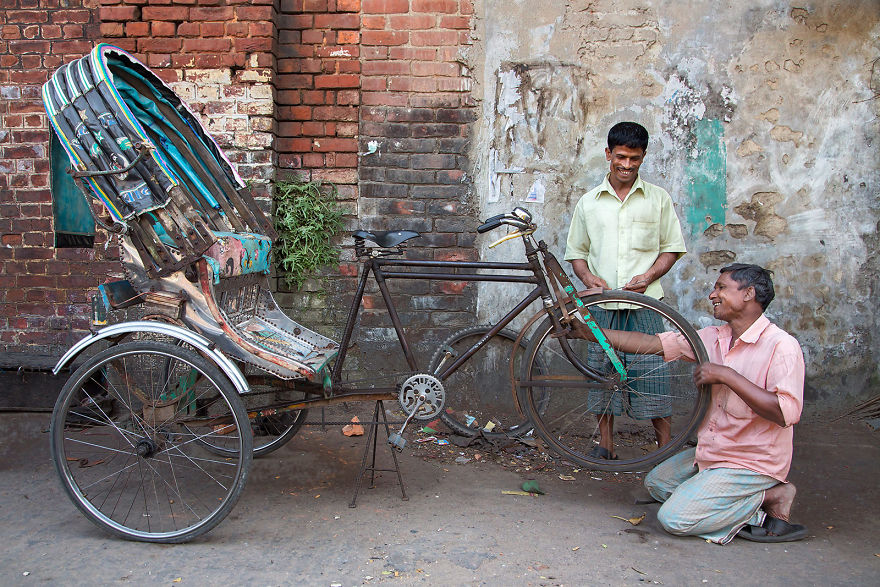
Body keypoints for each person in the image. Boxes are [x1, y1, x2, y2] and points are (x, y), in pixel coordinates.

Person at [599, 264, 807, 544]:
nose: (712, 294)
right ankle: (714, 495)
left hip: (752, 461)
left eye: (721, 287)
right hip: (716, 451)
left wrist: (728, 376)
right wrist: (591, 332)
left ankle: (768, 498)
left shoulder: (782, 346)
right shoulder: (714, 337)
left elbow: (785, 413)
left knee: (675, 519)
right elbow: (650, 344)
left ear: (749, 294)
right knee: (657, 483)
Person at [564, 121, 687, 459]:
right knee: (602, 373)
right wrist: (589, 280)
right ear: (608, 154)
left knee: (653, 376)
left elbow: (672, 248)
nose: (627, 165)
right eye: (620, 157)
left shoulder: (658, 199)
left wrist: (649, 275)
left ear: (643, 157)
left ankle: (664, 449)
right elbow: (576, 254)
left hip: (647, 305)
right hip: (602, 305)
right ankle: (606, 445)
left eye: (634, 159)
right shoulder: (589, 203)